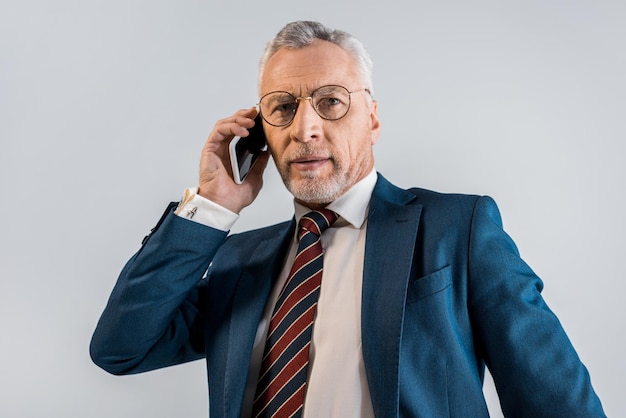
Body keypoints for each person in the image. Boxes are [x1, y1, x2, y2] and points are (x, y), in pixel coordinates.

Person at [90, 20, 605, 417]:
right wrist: (211, 208)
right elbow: (120, 348)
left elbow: (556, 401)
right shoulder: (237, 259)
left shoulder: (458, 228)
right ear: (259, 132)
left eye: (330, 102)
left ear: (373, 118)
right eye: (283, 108)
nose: (306, 128)